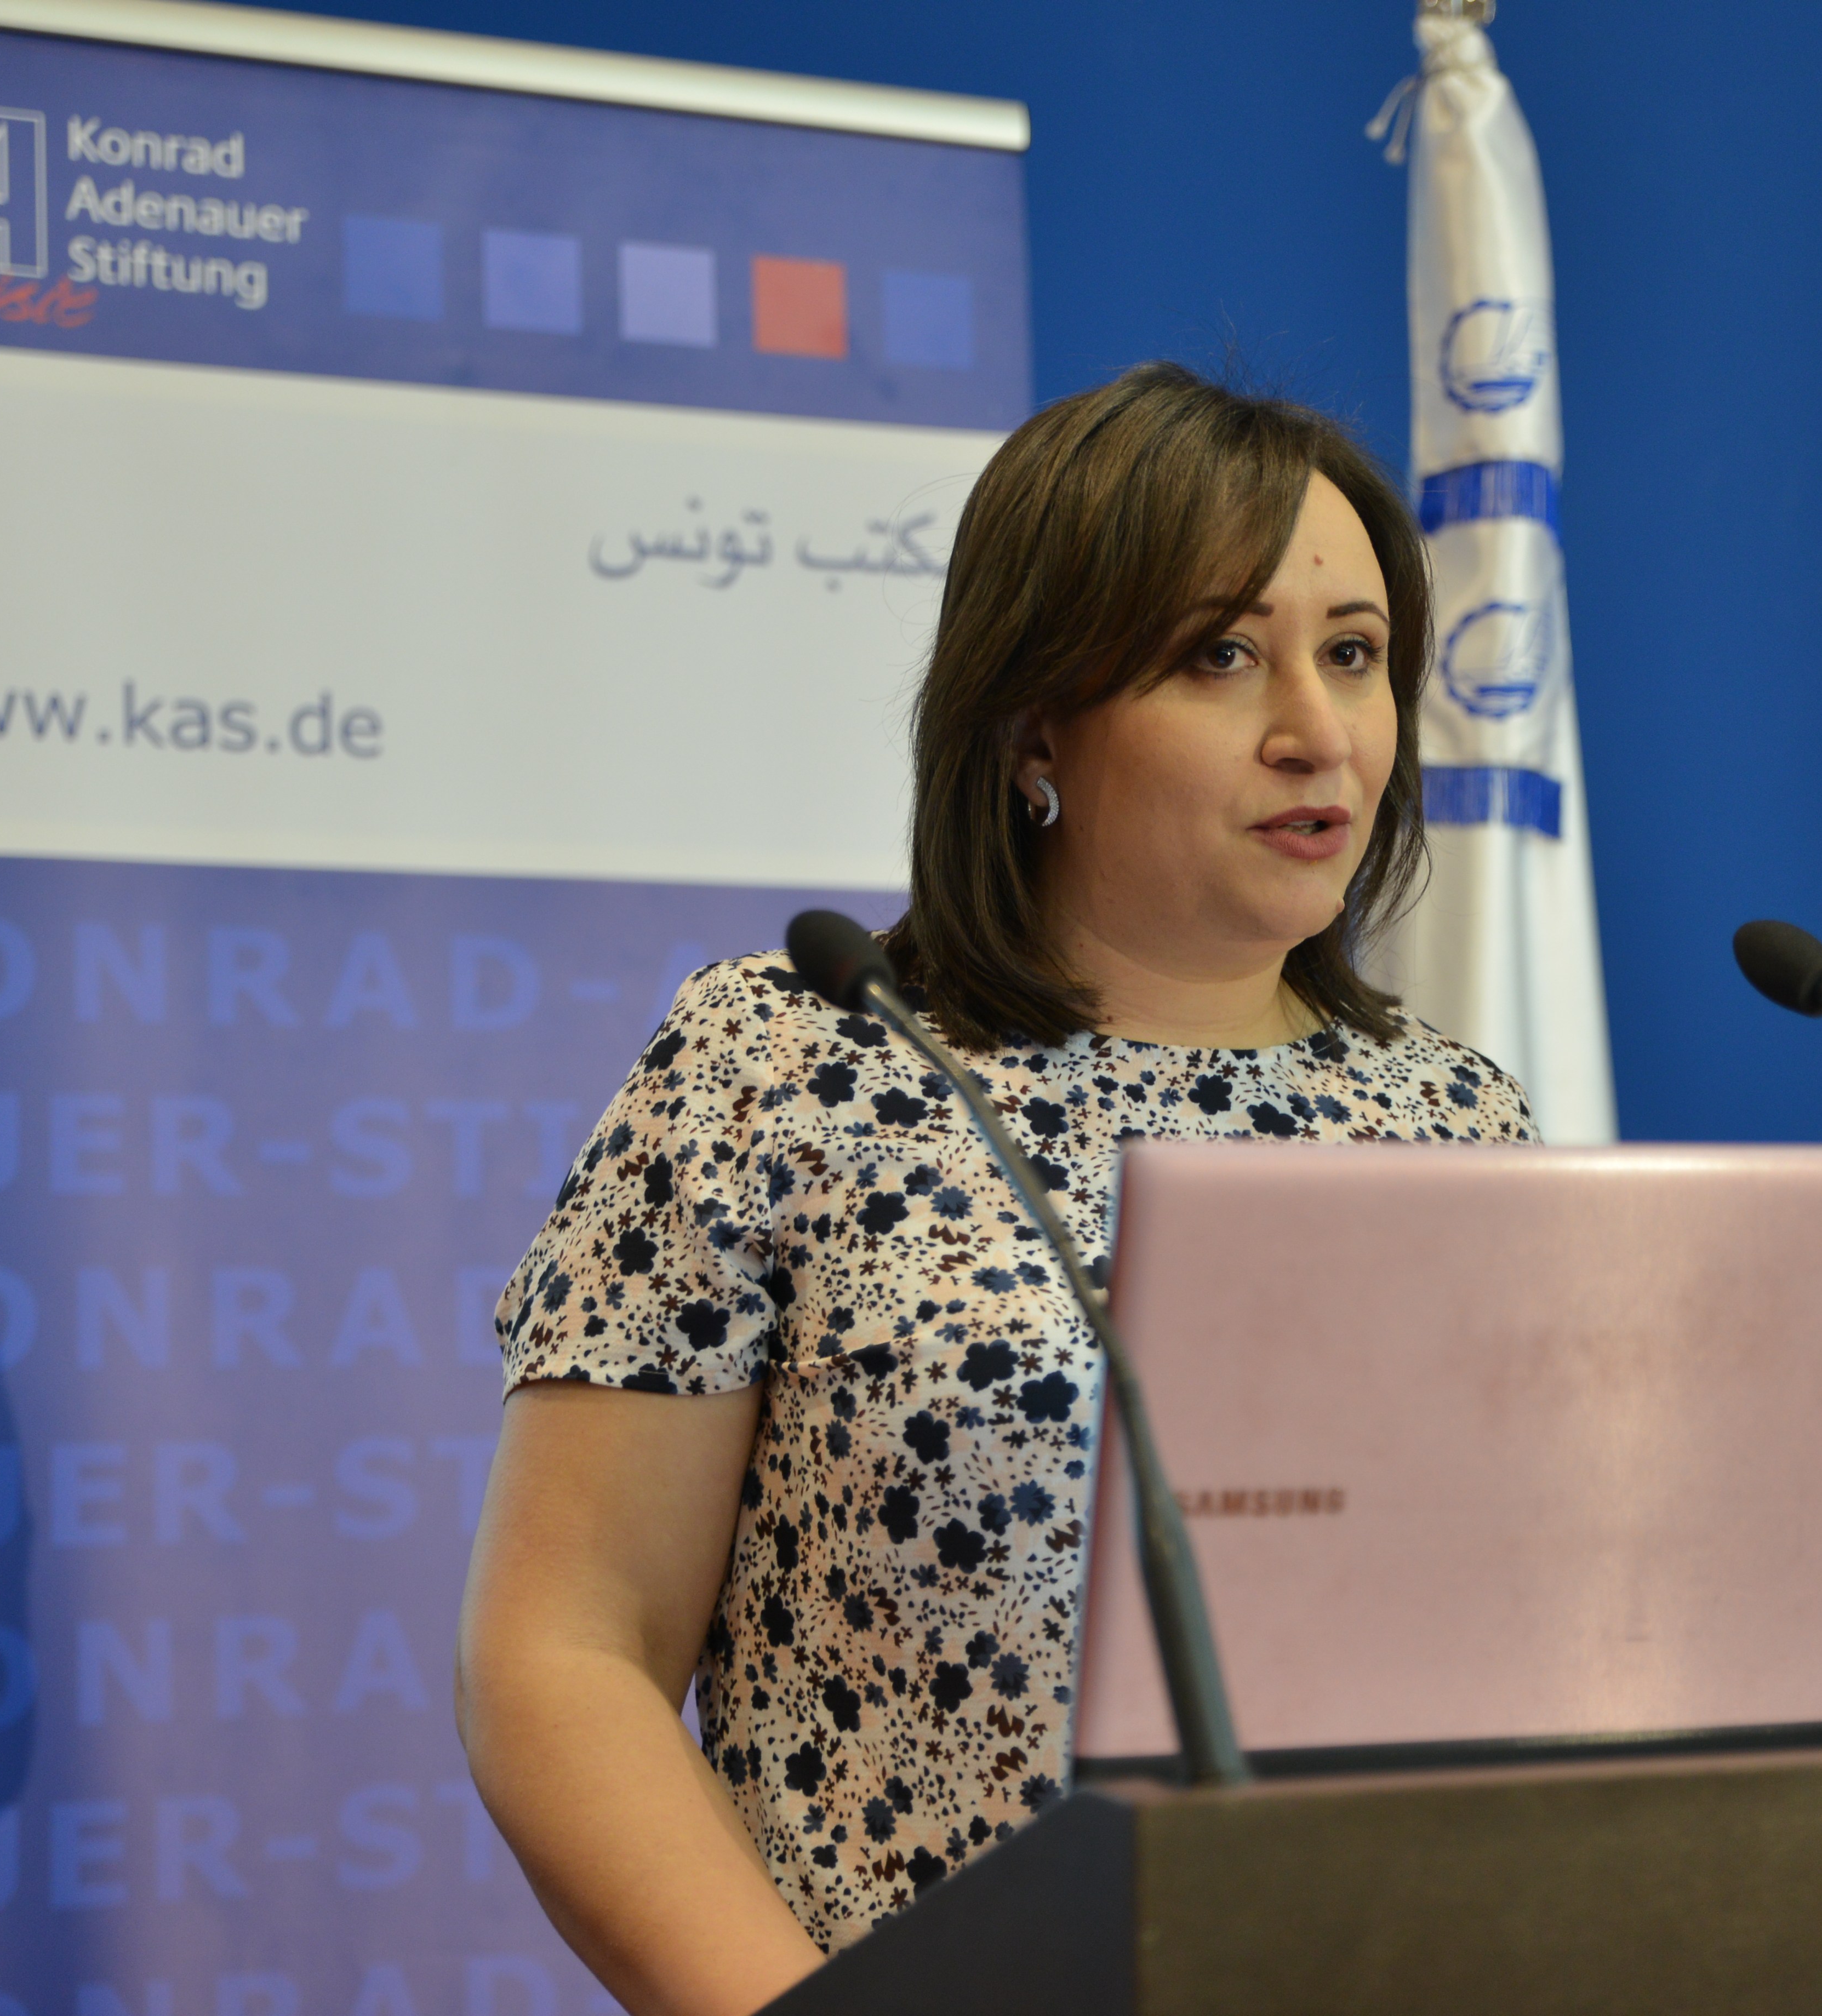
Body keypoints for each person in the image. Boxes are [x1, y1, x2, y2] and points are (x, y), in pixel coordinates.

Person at [455, 362, 1539, 2016]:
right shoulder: (786, 1062)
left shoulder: (1457, 1122)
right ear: (1035, 726)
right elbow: (564, 1652)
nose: (1318, 733)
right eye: (1221, 655)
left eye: (1353, 654)